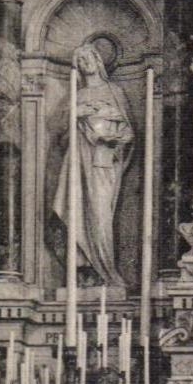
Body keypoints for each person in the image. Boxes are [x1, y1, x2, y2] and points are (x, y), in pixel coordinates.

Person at [52, 42, 134, 288]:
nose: (85, 62)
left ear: (98, 60)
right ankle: (83, 270)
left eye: (88, 57)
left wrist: (111, 139)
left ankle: (106, 270)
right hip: (77, 162)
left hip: (102, 162)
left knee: (100, 214)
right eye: (80, 59)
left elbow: (128, 133)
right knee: (76, 210)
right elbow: (61, 136)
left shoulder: (114, 91)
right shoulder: (76, 97)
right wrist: (75, 114)